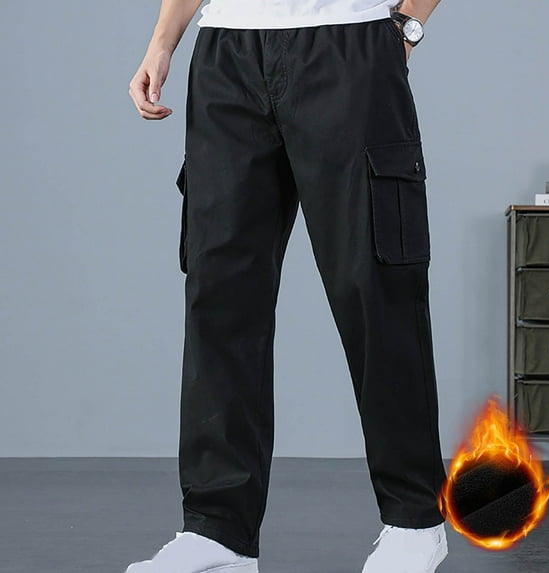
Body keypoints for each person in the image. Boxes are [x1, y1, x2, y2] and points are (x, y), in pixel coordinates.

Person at [126, 0, 447, 571]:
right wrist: (162, 42)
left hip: (347, 43)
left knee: (374, 287)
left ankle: (414, 521)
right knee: (220, 296)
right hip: (227, 52)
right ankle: (218, 531)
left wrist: (406, 26)